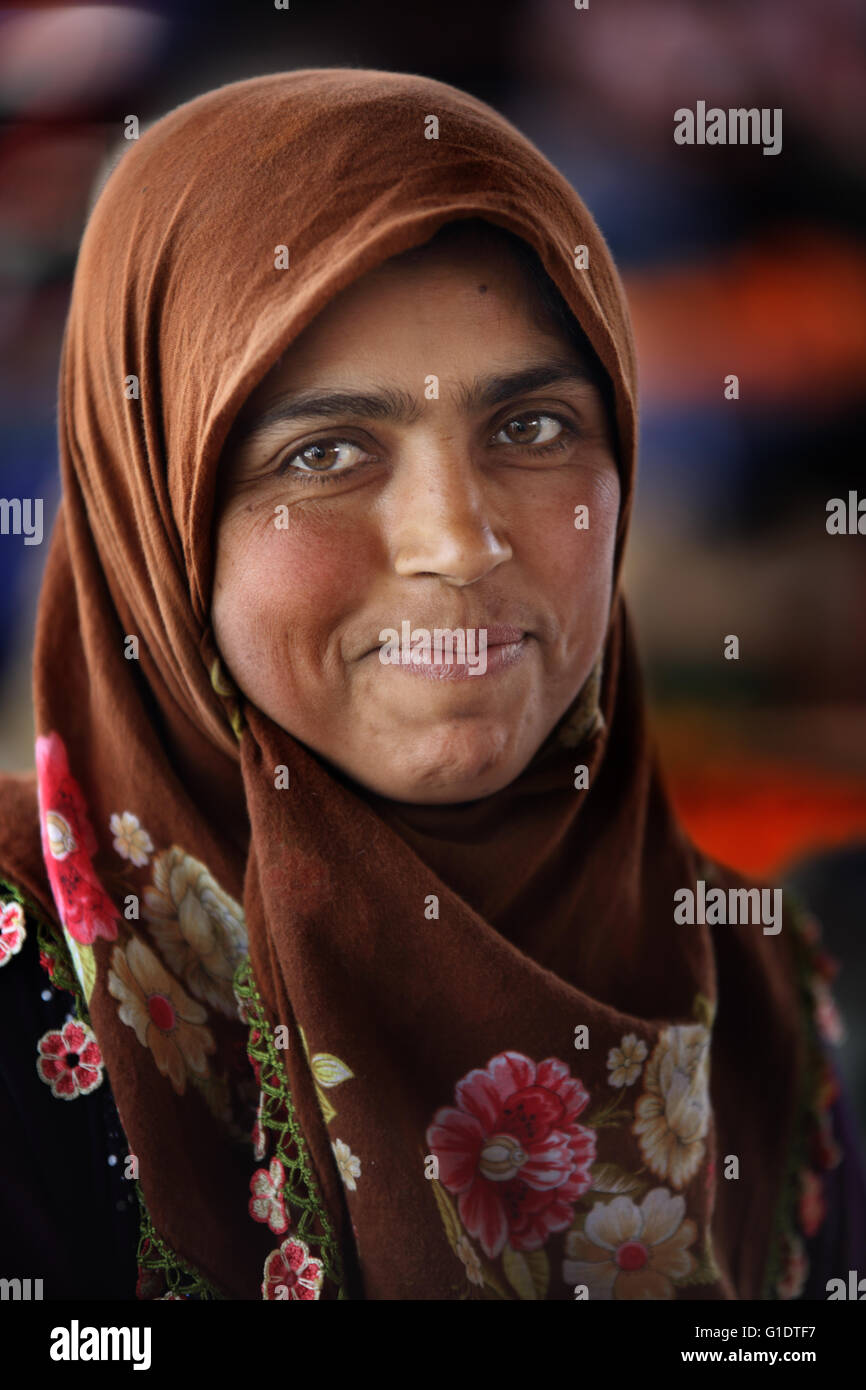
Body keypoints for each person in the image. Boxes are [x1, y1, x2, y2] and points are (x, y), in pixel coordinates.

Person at [0, 68, 862, 1302]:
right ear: (157, 505)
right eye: (327, 451)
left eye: (531, 428)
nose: (458, 541)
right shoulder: (19, 974)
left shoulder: (757, 997)